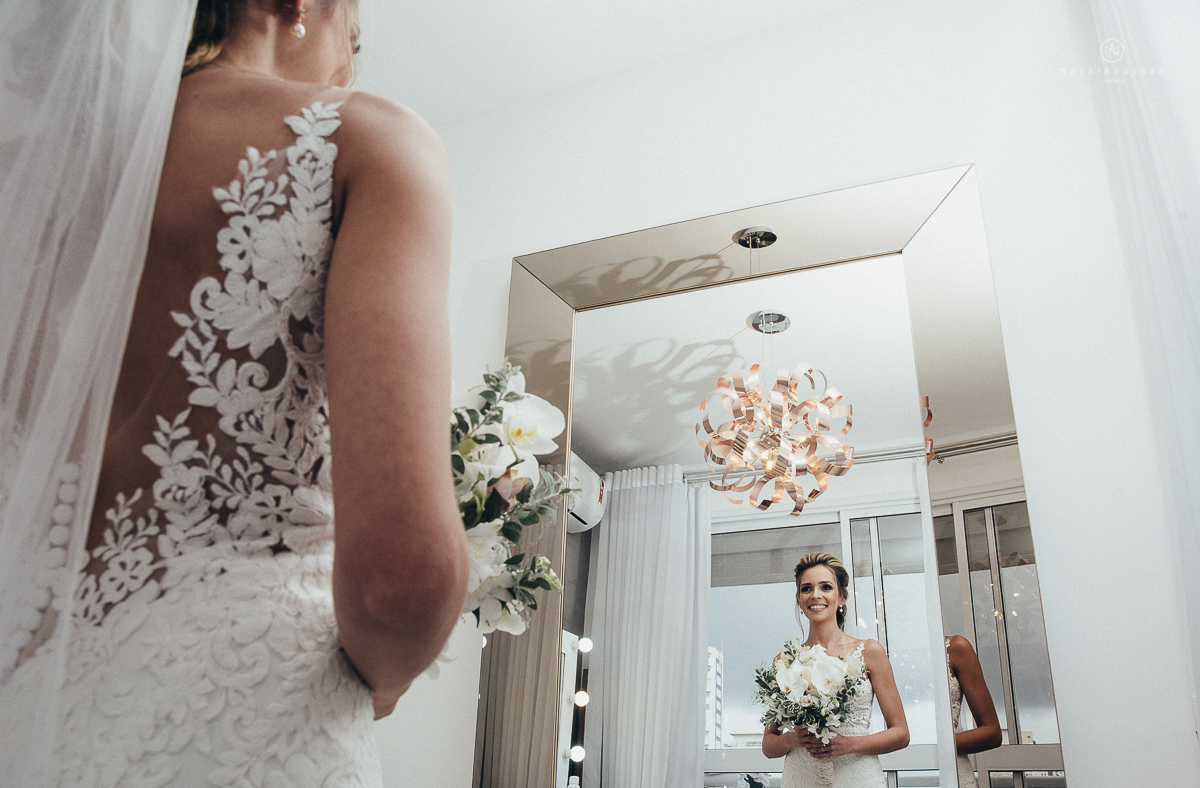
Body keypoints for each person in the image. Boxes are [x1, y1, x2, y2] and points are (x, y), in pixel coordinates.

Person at [0, 1, 467, 785]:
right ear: (298, 4)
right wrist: (386, 677)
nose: (349, 68)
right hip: (248, 723)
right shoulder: (366, 140)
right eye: (353, 39)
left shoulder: (22, 201)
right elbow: (396, 586)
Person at [761, 553, 909, 788]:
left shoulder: (869, 651)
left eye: (826, 587)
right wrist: (793, 739)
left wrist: (848, 744)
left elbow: (901, 733)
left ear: (842, 597)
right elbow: (768, 745)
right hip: (801, 778)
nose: (815, 595)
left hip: (858, 777)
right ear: (799, 600)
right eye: (806, 588)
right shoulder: (784, 661)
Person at [944, 635, 1003, 787]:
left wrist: (936, 746)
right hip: (897, 770)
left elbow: (992, 732)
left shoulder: (955, 648)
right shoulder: (885, 654)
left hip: (951, 772)